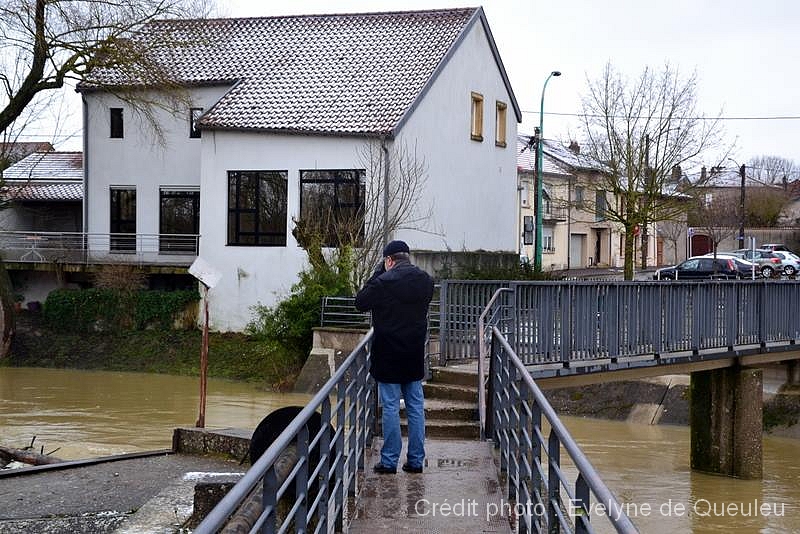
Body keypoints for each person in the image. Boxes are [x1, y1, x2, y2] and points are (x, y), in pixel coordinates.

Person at [355, 240, 434, 474]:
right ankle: (416, 460)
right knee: (416, 406)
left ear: (389, 260)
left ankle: (389, 461)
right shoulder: (425, 281)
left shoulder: (383, 282)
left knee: (390, 406)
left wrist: (377, 274)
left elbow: (360, 302)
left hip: (388, 353)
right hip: (414, 353)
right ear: (407, 257)